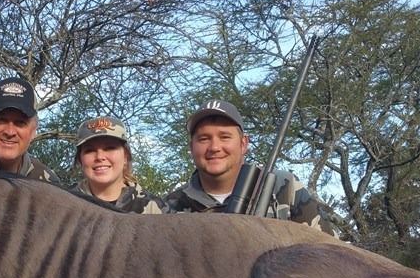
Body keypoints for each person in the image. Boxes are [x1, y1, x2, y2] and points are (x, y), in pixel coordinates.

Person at [165, 100, 335, 234]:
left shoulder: (285, 187)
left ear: (244, 144)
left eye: (225, 137)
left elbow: (329, 251)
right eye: (204, 139)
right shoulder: (169, 208)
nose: (214, 147)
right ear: (191, 147)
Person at [70, 116, 164, 214]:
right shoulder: (65, 204)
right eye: (90, 150)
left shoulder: (154, 209)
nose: (99, 157)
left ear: (126, 156)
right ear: (80, 159)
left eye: (110, 148)